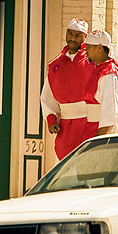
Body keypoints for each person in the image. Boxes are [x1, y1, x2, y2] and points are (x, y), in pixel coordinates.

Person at [40, 18, 94, 160]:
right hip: (66, 129)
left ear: (85, 37)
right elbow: (47, 96)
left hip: (88, 125)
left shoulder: (93, 62)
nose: (72, 39)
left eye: (77, 36)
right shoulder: (55, 65)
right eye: (69, 34)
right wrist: (51, 120)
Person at [84, 29, 118, 138]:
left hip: (108, 137)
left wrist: (94, 143)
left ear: (99, 48)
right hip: (93, 129)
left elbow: (110, 116)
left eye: (89, 46)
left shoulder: (110, 75)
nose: (86, 50)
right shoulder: (99, 71)